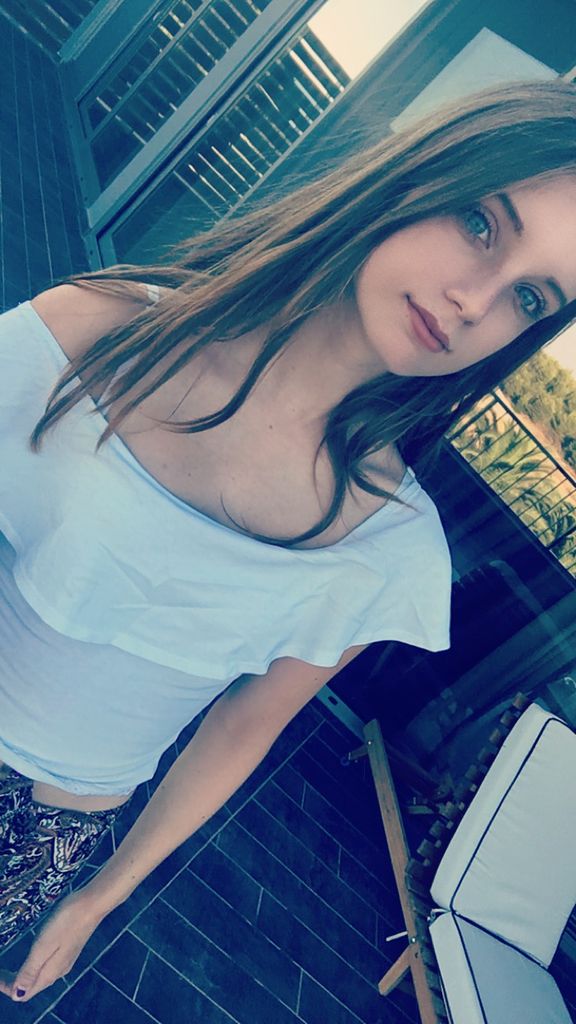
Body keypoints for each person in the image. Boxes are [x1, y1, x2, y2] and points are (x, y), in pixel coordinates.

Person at [0, 78, 575, 1003]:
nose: (476, 301)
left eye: (530, 298)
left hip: (35, 835)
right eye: (480, 223)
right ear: (414, 178)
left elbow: (242, 728)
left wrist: (98, 899)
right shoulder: (106, 328)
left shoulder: (391, 551)